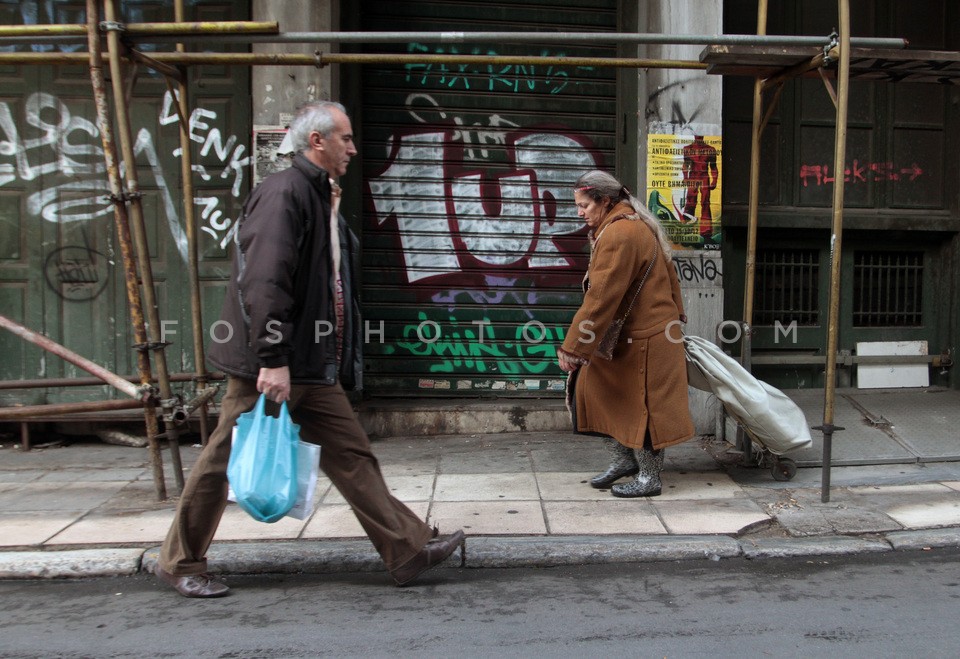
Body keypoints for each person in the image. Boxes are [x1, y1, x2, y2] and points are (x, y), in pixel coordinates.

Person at [155, 101, 465, 597]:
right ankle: (181, 562)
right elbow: (264, 283)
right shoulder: (285, 194)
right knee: (223, 459)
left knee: (352, 454)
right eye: (345, 138)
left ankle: (406, 550)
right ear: (317, 141)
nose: (353, 148)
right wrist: (273, 358)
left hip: (309, 362)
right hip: (278, 364)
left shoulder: (318, 194)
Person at [557, 170, 694, 498]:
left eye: (584, 205)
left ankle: (650, 478)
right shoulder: (626, 224)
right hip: (631, 336)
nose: (579, 212)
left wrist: (574, 346)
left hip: (648, 339)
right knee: (593, 391)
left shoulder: (621, 233)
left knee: (646, 409)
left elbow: (601, 297)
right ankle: (624, 461)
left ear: (604, 201)